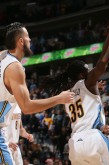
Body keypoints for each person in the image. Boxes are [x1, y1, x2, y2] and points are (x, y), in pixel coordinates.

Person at [43, 7, 109, 165]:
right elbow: (105, 57)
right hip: (92, 138)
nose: (90, 71)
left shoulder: (67, 95)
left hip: (75, 144)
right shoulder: (87, 82)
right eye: (87, 69)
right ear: (81, 75)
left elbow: (83, 98)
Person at [0, 22, 74, 164]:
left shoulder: (3, 57)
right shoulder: (14, 67)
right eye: (27, 37)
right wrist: (58, 99)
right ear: (21, 42)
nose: (30, 40)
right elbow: (27, 107)